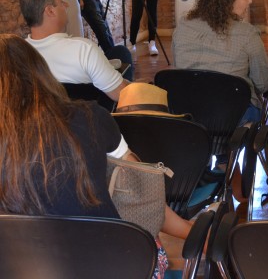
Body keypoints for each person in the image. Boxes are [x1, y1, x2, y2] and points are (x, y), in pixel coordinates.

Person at [0, 34, 193, 279]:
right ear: (39, 72)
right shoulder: (90, 116)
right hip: (112, 263)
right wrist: (188, 229)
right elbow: (140, 188)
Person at [172, 0, 268, 123]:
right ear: (228, 0)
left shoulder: (183, 27)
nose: (250, 1)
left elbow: (179, 69)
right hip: (233, 117)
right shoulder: (247, 34)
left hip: (191, 116)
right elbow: (264, 84)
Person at [20, 0, 133, 98]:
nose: (66, 5)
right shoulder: (83, 50)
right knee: (122, 53)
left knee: (118, 52)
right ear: (50, 11)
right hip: (92, 112)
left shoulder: (18, 54)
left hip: (46, 113)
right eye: (61, 2)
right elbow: (122, 94)